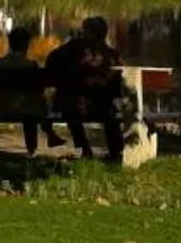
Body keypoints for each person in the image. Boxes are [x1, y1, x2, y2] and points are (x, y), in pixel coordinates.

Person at [44, 16, 126, 165]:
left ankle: (84, 148)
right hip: (102, 107)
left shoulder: (73, 47)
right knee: (107, 110)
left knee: (69, 104)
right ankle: (115, 150)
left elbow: (51, 60)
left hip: (76, 107)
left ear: (87, 32)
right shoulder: (111, 54)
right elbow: (121, 77)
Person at [0, 26, 58, 156]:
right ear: (26, 45)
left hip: (4, 108)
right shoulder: (31, 65)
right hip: (28, 109)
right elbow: (40, 88)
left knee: (30, 105)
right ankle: (34, 147)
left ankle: (46, 138)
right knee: (33, 106)